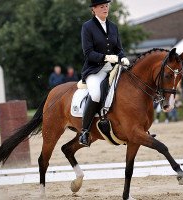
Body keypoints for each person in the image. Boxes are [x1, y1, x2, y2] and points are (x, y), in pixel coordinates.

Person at [79, 0, 130, 147]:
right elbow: (88, 52)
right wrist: (105, 57)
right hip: (94, 70)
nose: (105, 8)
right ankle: (84, 131)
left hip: (112, 69)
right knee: (95, 94)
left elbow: (118, 49)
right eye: (101, 6)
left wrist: (123, 57)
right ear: (94, 9)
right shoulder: (87, 27)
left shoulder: (113, 27)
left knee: (127, 89)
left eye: (106, 6)